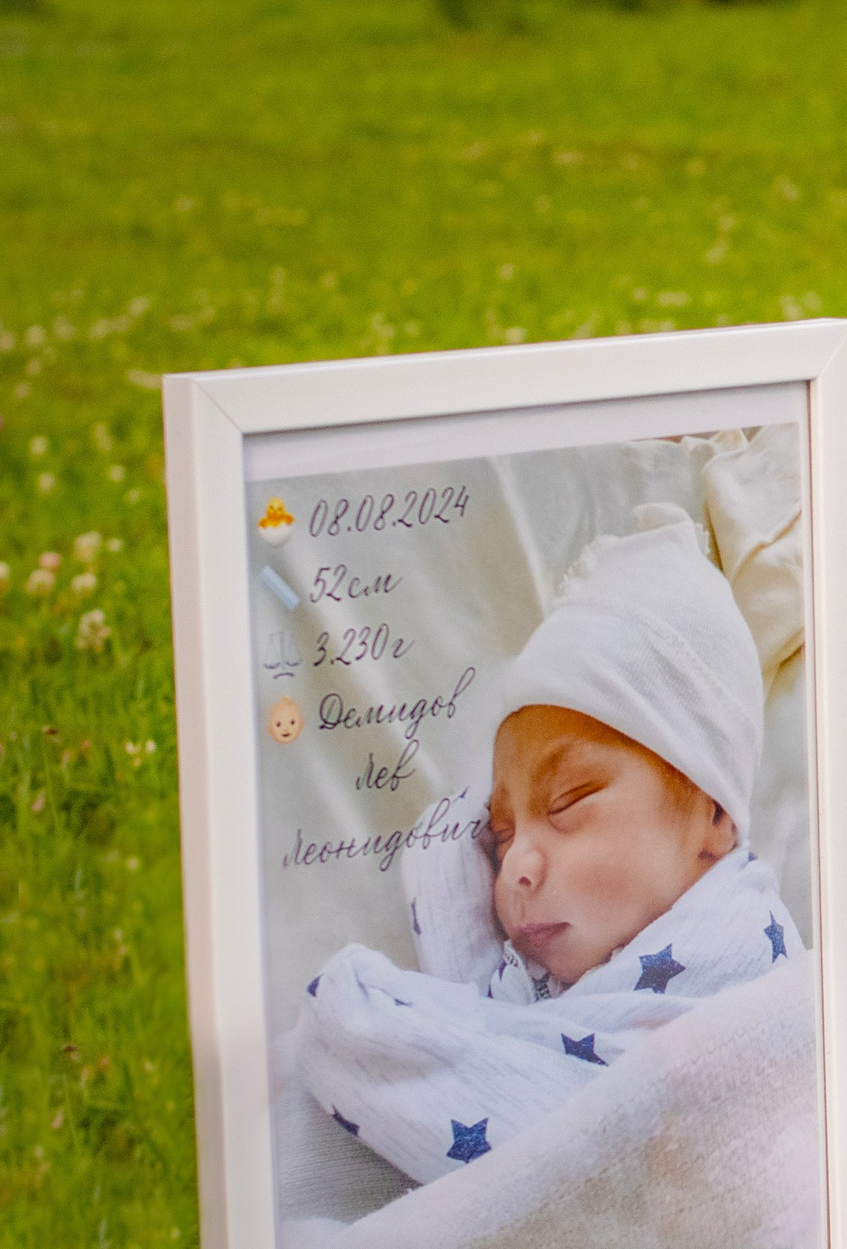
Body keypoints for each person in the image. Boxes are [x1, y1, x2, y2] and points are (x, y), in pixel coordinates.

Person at [293, 507, 804, 1188]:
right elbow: (495, 1047)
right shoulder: (526, 993)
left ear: (713, 814)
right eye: (501, 839)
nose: (515, 873)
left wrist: (363, 1027)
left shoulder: (745, 954)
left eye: (567, 802)